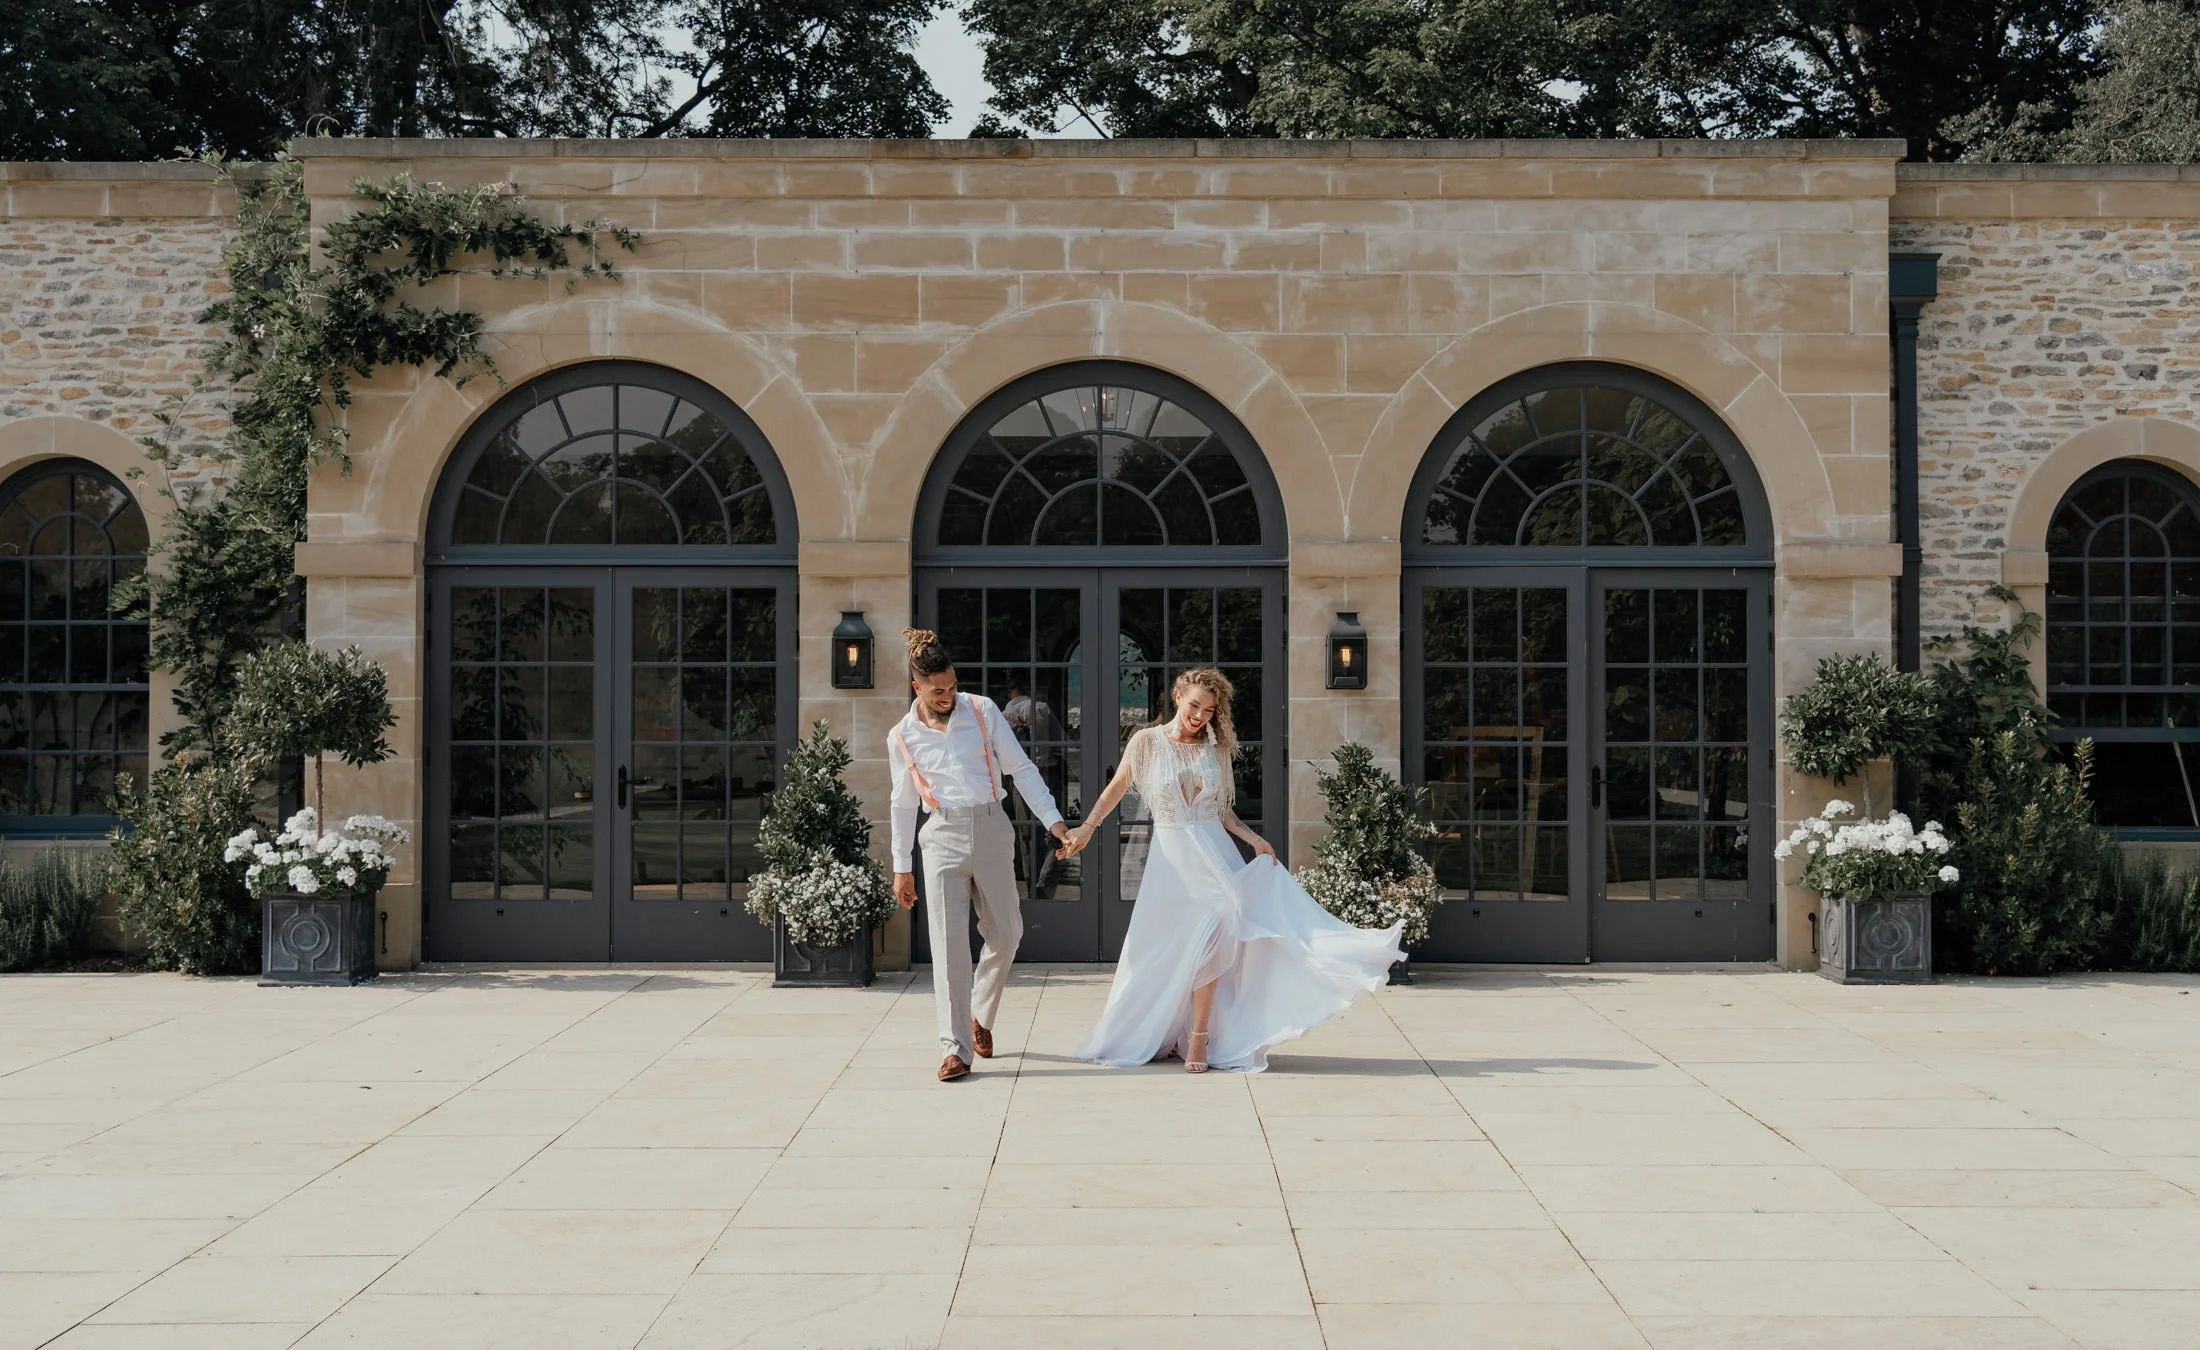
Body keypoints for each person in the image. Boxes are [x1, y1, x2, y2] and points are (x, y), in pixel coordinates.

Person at [1057, 668, 1404, 1073]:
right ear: (1177, 697)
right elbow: (1116, 787)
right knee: (1168, 949)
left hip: (1214, 853)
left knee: (1217, 928)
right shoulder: (1147, 741)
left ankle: (1199, 1036)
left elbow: (1222, 811)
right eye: (1194, 706)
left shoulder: (1215, 749)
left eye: (1208, 710)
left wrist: (1254, 839)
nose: (1199, 716)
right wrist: (1087, 828)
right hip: (1173, 860)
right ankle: (1165, 1030)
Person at [889, 629, 1073, 1083]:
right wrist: (901, 868)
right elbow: (902, 804)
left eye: (952, 686)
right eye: (938, 690)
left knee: (1007, 934)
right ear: (917, 688)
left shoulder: (982, 710)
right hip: (941, 835)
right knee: (948, 947)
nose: (947, 695)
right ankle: (955, 1048)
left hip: (991, 826)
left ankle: (980, 1014)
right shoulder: (902, 736)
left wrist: (1054, 821)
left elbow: (1021, 769)